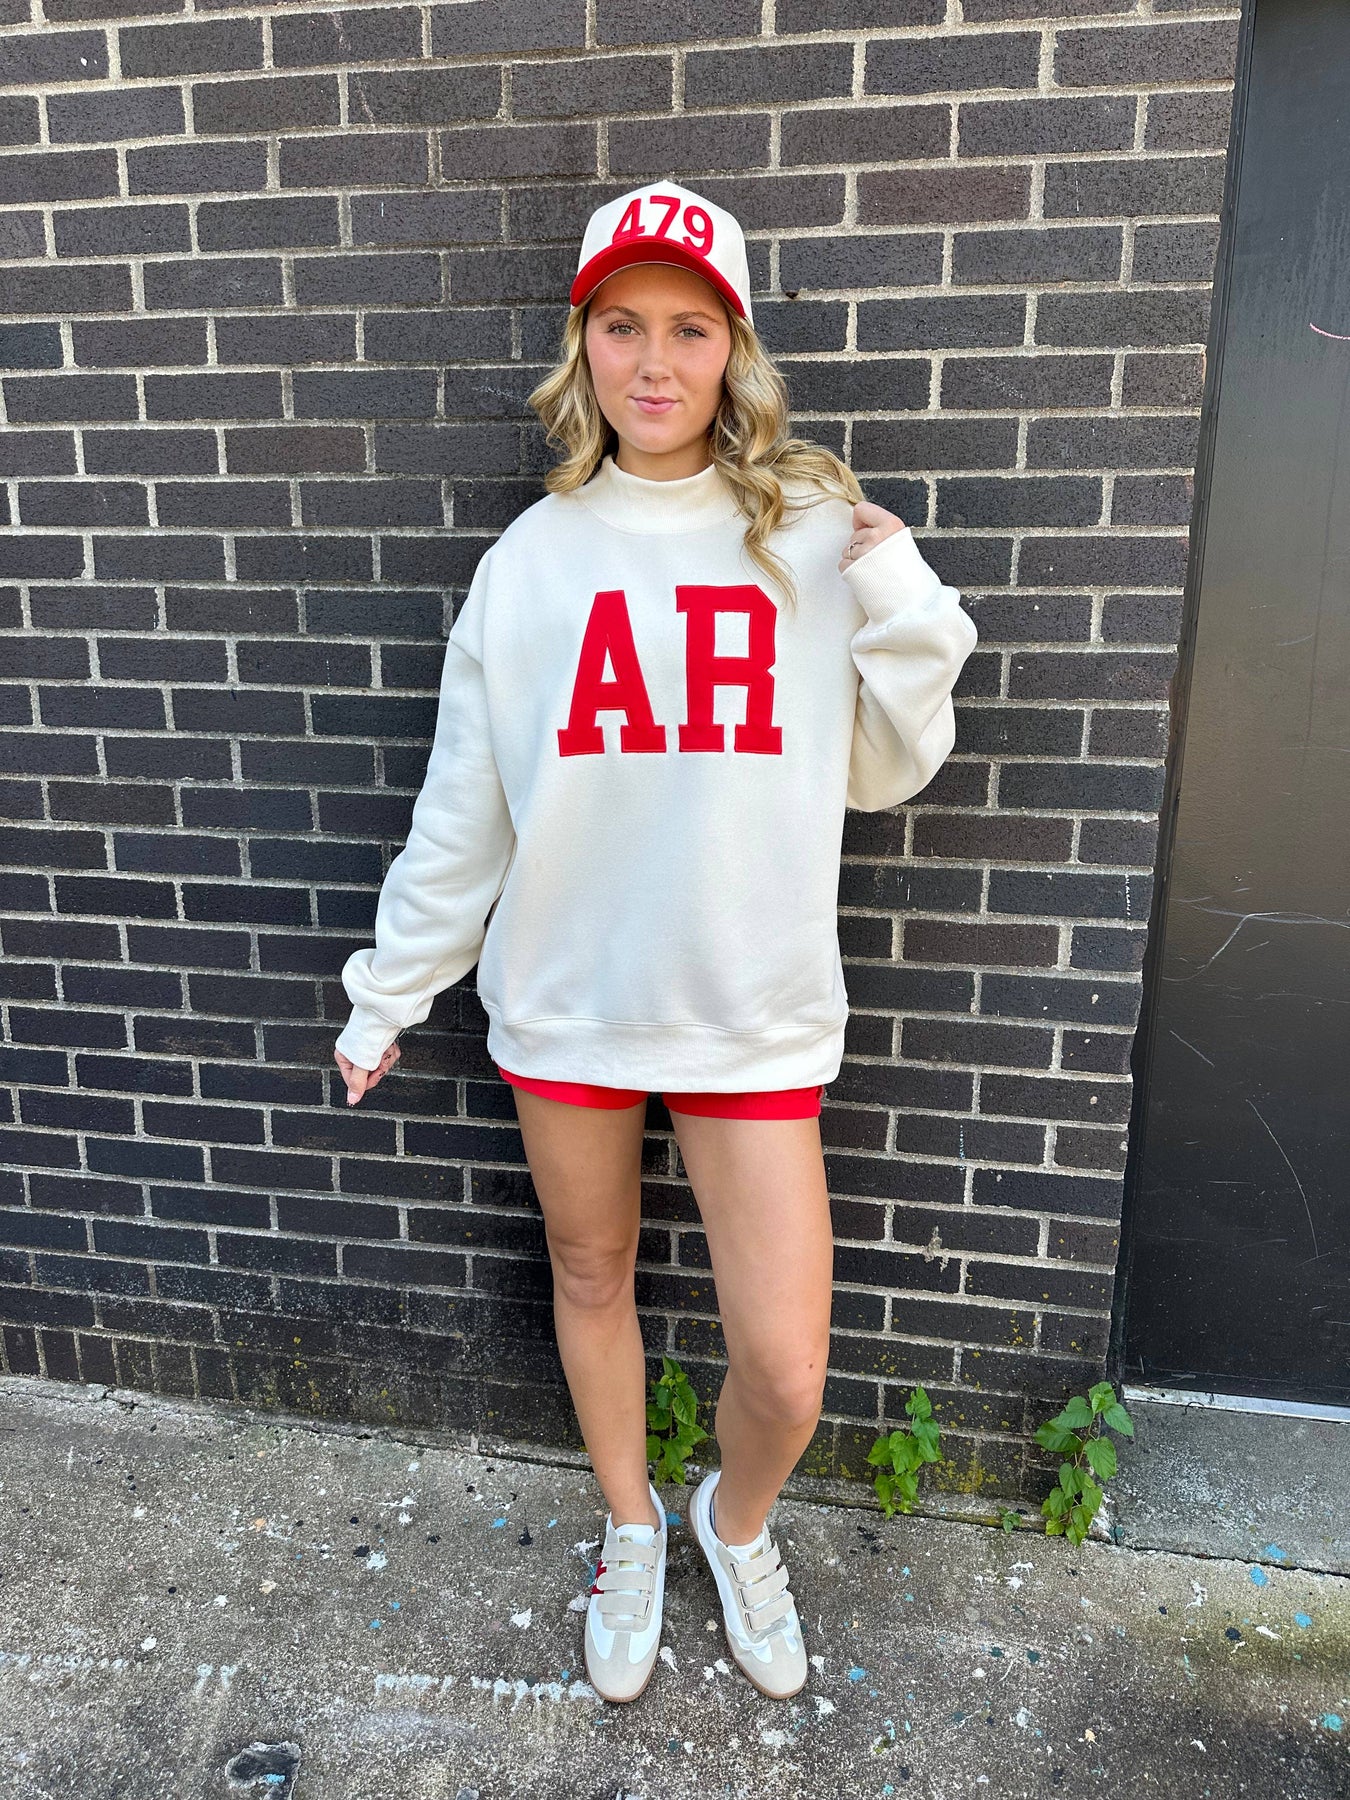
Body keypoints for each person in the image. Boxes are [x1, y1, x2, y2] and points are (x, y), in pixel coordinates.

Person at [332, 179, 979, 1705]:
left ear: (731, 350)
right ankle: (628, 1523)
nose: (654, 360)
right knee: (589, 1267)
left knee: (786, 1370)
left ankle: (729, 1521)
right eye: (621, 326)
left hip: (748, 1007)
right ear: (584, 348)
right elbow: (465, 814)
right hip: (567, 997)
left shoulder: (805, 535)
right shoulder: (531, 562)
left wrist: (899, 594)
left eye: (689, 328)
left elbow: (882, 768)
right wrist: (387, 994)